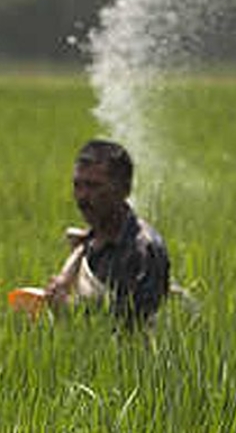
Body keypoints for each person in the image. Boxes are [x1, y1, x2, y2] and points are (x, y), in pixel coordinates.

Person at [44, 139, 171, 326]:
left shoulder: (143, 250)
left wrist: (72, 309)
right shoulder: (87, 243)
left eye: (94, 186)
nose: (82, 197)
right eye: (77, 185)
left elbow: (136, 326)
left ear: (124, 190)